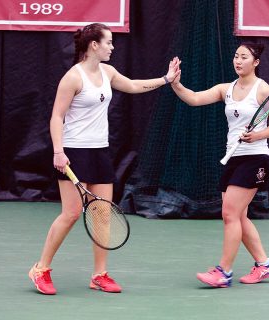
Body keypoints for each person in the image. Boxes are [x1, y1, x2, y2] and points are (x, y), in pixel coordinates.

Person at [28, 23, 180, 295]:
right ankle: (40, 269)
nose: (112, 46)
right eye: (108, 42)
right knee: (72, 213)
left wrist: (166, 79)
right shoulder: (72, 78)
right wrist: (58, 151)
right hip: (73, 151)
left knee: (102, 216)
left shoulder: (108, 72)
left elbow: (133, 86)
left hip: (100, 151)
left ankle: (99, 274)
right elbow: (56, 117)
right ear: (94, 45)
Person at [169, 43, 269, 288]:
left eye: (244, 57)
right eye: (236, 56)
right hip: (233, 158)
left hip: (255, 158)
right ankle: (264, 264)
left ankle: (224, 271)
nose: (238, 60)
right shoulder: (227, 89)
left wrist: (257, 136)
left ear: (256, 62)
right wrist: (176, 83)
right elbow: (194, 99)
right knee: (239, 217)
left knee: (230, 214)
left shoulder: (263, 89)